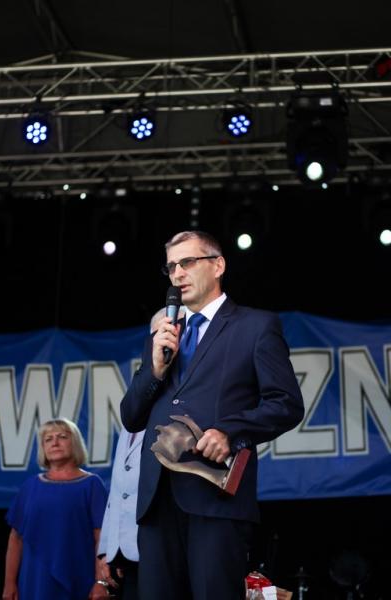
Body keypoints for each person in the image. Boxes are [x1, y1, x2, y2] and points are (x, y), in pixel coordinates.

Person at [121, 230, 305, 600]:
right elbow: (131, 417)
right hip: (158, 500)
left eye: (187, 262)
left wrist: (231, 431)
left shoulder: (255, 326)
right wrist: (155, 370)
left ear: (218, 265)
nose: (177, 274)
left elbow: (286, 402)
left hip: (215, 495)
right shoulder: (163, 334)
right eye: (171, 267)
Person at [97, 306, 185, 600]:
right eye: (159, 332)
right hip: (129, 550)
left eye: (175, 329)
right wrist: (107, 549)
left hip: (173, 543)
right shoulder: (136, 403)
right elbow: (119, 487)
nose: (167, 337)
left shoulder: (189, 393)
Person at [2, 418, 108, 600]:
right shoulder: (30, 486)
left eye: (62, 437)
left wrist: (101, 582)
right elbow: (15, 539)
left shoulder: (92, 484)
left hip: (79, 577)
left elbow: (102, 538)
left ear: (75, 443)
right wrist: (9, 583)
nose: (55, 443)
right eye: (48, 439)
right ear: (42, 447)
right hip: (34, 580)